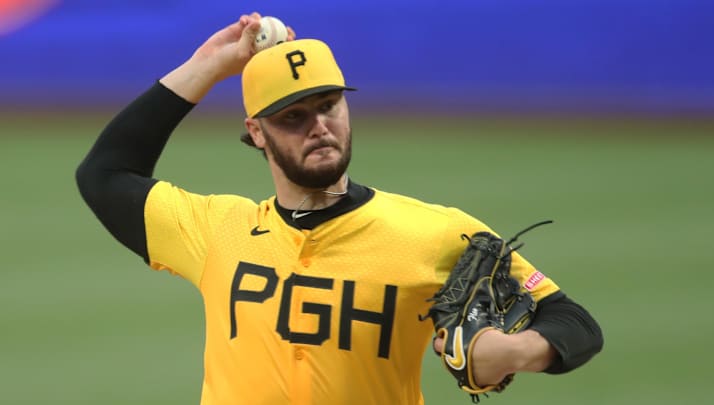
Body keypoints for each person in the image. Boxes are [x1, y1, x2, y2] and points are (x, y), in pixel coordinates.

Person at [76, 12, 603, 405]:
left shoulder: (435, 233)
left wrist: (513, 353)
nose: (318, 126)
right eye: (293, 116)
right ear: (256, 132)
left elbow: (574, 322)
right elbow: (104, 175)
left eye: (329, 105)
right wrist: (207, 67)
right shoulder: (215, 230)